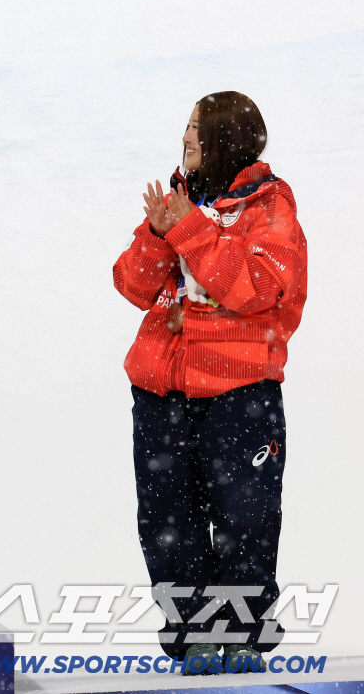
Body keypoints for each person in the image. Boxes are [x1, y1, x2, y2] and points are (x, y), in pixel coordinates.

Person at [113, 92, 306, 674]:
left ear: (226, 137)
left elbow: (256, 289)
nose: (185, 137)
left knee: (245, 519)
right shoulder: (180, 200)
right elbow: (131, 284)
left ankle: (243, 636)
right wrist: (154, 230)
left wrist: (189, 230)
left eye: (196, 128)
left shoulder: (270, 205)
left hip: (239, 393)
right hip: (160, 391)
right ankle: (193, 635)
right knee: (169, 523)